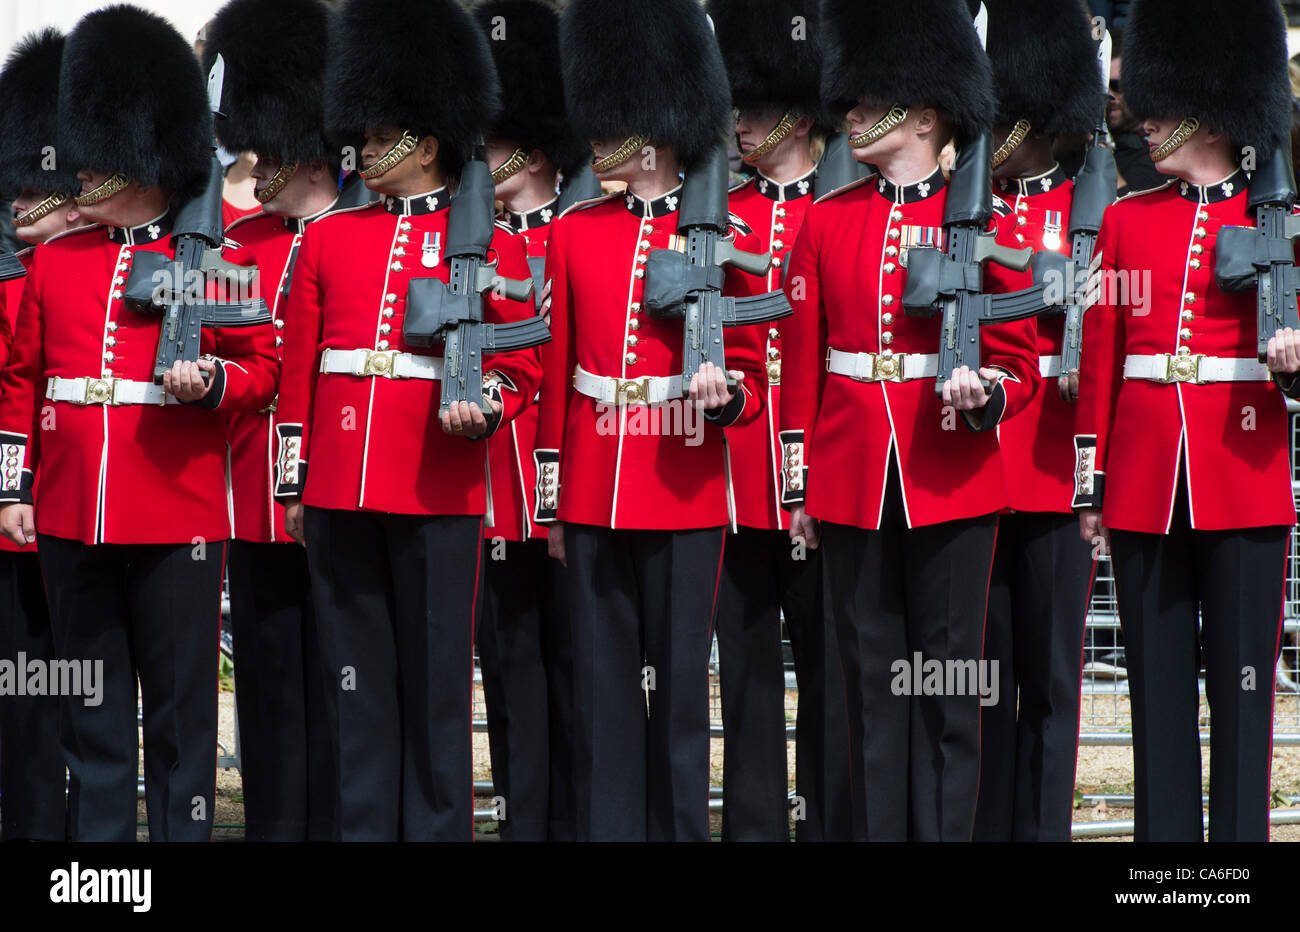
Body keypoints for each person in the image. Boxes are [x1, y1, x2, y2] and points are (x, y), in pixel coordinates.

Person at [0, 4, 279, 842]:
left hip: (176, 516)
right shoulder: (57, 260)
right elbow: (23, 382)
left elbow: (262, 367)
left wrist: (210, 386)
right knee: (92, 717)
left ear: (143, 161)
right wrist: (13, 487)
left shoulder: (212, 262)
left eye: (100, 164)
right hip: (68, 512)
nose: (81, 177)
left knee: (181, 717)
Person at [274, 0, 543, 841]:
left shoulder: (492, 243)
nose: (365, 147)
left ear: (426, 145)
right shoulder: (329, 240)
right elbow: (299, 372)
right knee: (355, 680)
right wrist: (295, 480)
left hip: (439, 481)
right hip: (341, 487)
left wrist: (489, 401)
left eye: (385, 132)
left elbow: (521, 361)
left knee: (435, 690)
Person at [783, 0, 1040, 841]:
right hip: (852, 476)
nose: (850, 115)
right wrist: (799, 488)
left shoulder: (983, 223)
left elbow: (1020, 362)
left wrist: (989, 396)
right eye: (850, 101)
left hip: (952, 475)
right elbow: (803, 366)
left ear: (923, 115)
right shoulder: (826, 222)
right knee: (870, 691)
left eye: (868, 101)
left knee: (948, 692)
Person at [540, 0, 768, 841]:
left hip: (684, 484)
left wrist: (726, 399)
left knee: (675, 693)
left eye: (619, 126)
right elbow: (562, 371)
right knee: (603, 689)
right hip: (597, 482)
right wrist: (552, 498)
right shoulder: (576, 234)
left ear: (661, 130)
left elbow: (747, 375)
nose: (600, 141)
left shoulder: (722, 233)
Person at [1075, 0, 1298, 842]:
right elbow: (1100, 355)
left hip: (1241, 476)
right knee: (1156, 692)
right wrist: (1089, 482)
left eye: (1159, 104)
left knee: (1244, 695)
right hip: (1141, 479)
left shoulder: (1284, 225)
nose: (1141, 117)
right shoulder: (1128, 221)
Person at [201, 0, 369, 843]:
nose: (251, 159)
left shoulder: (363, 236)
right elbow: (230, 356)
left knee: (342, 681)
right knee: (267, 684)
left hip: (340, 492)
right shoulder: (238, 247)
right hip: (250, 493)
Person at [707, 0, 851, 843]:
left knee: (832, 674)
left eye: (753, 109)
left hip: (823, 478)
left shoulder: (838, 211)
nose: (738, 123)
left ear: (796, 117)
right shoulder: (716, 212)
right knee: (748, 675)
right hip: (734, 474)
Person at [972, 0, 1102, 843]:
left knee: (1051, 683)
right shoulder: (970, 209)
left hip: (1059, 467)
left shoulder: (1095, 212)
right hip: (981, 465)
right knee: (984, 683)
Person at [471, 0, 586, 843]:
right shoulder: (472, 248)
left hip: (568, 491)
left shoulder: (577, 240)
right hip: (488, 490)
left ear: (536, 150)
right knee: (508, 673)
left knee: (579, 671)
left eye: (494, 142)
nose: (479, 157)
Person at [0, 27, 87, 842]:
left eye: (34, 192)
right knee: (26, 692)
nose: (21, 205)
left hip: (75, 517)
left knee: (64, 690)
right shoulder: (12, 283)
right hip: (22, 518)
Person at [1104, 27, 1164, 196]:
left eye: (1117, 86)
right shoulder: (1077, 140)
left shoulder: (1157, 151)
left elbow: (1122, 208)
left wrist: (1099, 149)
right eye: (1101, 86)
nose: (1109, 96)